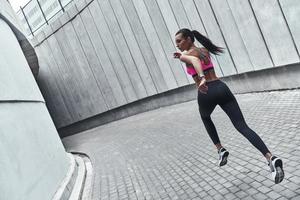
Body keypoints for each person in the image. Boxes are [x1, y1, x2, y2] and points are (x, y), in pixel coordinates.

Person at [173, 28, 284, 184]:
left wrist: (202, 78)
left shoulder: (186, 55)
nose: (177, 44)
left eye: (179, 40)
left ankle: (220, 149)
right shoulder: (204, 50)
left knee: (205, 117)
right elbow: (199, 58)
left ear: (189, 39)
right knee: (242, 126)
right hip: (221, 87)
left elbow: (195, 61)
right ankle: (270, 157)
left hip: (206, 92)